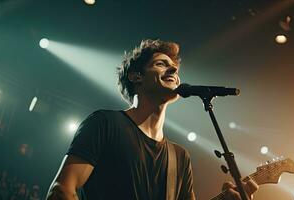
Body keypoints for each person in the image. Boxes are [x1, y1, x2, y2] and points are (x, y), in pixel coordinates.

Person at [46, 39, 258, 200]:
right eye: (161, 64)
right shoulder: (105, 123)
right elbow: (62, 189)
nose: (174, 69)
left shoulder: (180, 157)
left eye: (174, 67)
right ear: (136, 76)